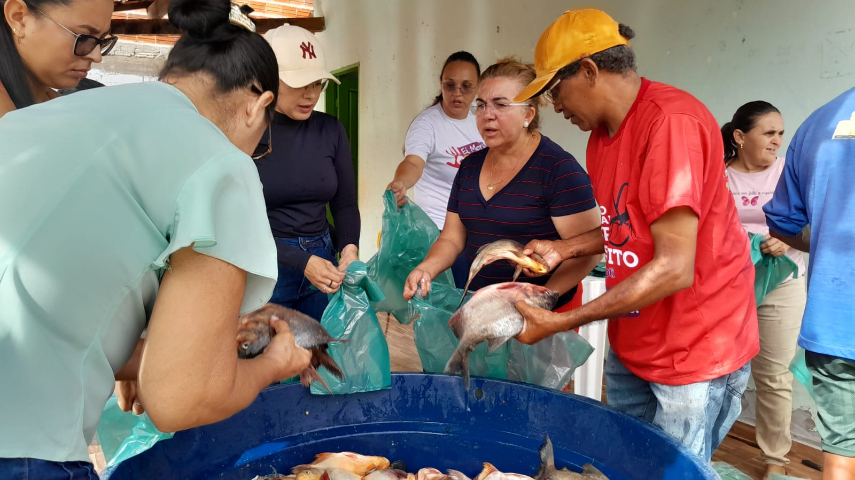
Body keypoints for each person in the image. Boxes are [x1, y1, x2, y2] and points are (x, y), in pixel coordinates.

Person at [0, 1, 313, 478]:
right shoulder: (220, 163)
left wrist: (135, 356)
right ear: (259, 105)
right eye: (264, 141)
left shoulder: (55, 114)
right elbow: (179, 398)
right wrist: (274, 363)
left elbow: (51, 289)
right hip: (23, 445)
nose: (256, 151)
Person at [511, 10, 759, 462]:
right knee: (625, 463)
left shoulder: (671, 123)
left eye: (554, 90)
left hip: (693, 349)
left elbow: (674, 267)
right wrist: (565, 248)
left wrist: (563, 320)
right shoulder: (600, 137)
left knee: (673, 471)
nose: (555, 106)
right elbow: (624, 228)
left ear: (588, 70)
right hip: (635, 339)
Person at [402, 57, 601, 311]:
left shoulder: (558, 170)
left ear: (528, 114)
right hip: (483, 308)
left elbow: (589, 253)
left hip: (543, 317)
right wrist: (425, 269)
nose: (488, 116)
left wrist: (539, 300)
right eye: (482, 105)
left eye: (501, 105)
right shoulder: (469, 167)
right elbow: (452, 238)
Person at [763, 87, 855, 480]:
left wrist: (831, 244)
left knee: (840, 451)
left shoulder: (820, 121)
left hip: (835, 319)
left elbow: (783, 224)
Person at [722, 101, 807, 479]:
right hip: (729, 286)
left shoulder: (791, 174)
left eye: (780, 134)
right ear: (740, 137)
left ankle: (776, 463)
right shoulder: (719, 177)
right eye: (768, 133)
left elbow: (809, 222)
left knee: (774, 375)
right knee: (720, 371)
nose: (777, 141)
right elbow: (707, 228)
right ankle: (705, 446)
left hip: (782, 286)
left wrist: (786, 241)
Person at [252, 24, 360, 319]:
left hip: (323, 259)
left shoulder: (331, 129)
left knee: (319, 357)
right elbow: (240, 221)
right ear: (269, 81)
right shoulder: (250, 132)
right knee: (266, 358)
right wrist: (301, 261)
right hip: (268, 264)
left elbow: (345, 202)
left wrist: (349, 249)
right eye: (300, 84)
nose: (310, 94)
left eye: (317, 83)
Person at [386, 51, 486, 288]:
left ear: (478, 87)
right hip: (440, 231)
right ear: (441, 84)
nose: (457, 93)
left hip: (476, 227)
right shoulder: (427, 124)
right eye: (449, 85)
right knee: (450, 305)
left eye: (466, 86)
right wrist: (401, 182)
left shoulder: (480, 121)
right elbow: (413, 162)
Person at [0, 0, 117, 118]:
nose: (97, 57)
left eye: (102, 41)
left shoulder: (51, 105)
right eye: (83, 38)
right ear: (19, 18)